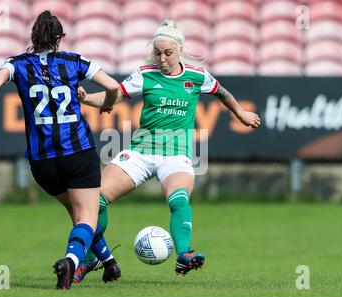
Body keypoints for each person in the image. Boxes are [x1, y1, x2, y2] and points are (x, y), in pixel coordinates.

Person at [73, 20, 261, 281]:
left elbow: (222, 92)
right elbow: (114, 97)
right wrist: (85, 99)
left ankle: (184, 254)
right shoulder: (145, 74)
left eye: (168, 53)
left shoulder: (197, 77)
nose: (161, 58)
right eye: (158, 53)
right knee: (96, 200)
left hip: (176, 154)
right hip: (141, 151)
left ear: (180, 50)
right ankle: (91, 258)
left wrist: (240, 113)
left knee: (179, 199)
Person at [0, 11, 122, 290]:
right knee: (87, 216)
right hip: (77, 153)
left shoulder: (17, 63)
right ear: (60, 38)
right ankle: (71, 263)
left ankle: (109, 261)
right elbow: (112, 86)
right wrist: (106, 104)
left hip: (42, 161)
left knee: (78, 216)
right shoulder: (74, 61)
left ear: (32, 37)